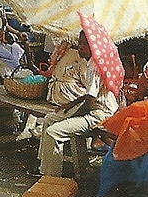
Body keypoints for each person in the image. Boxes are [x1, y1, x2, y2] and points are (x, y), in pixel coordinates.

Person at [35, 22, 120, 177]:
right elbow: (88, 96)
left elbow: (90, 103)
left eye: (82, 44)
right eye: (79, 43)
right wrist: (69, 105)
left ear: (92, 46)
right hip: (92, 107)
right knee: (49, 119)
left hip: (99, 114)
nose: (79, 47)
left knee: (54, 131)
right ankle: (43, 165)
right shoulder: (89, 63)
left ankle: (51, 176)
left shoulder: (95, 66)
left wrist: (70, 115)